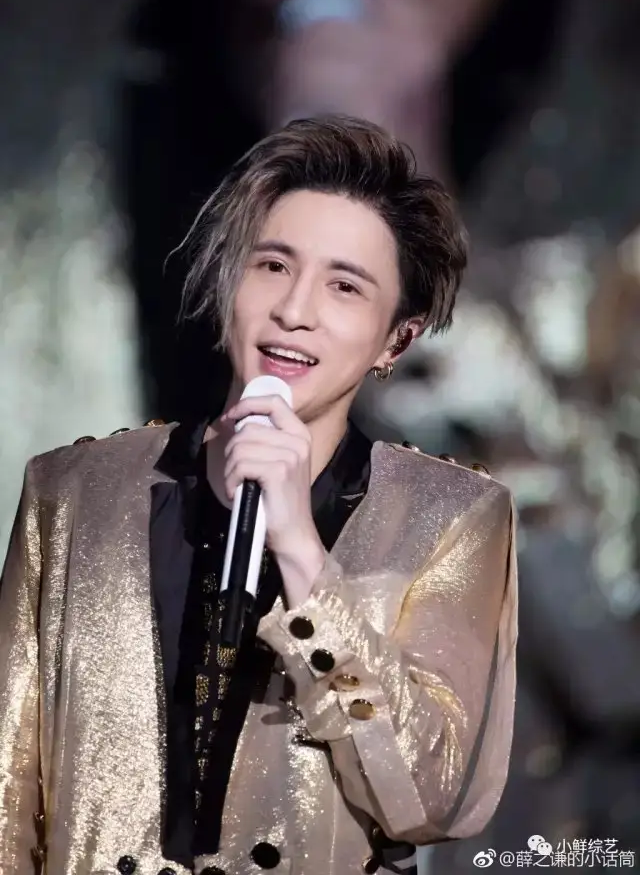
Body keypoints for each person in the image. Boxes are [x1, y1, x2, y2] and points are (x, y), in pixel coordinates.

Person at [0, 115, 517, 875]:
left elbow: (433, 796)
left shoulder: (449, 516)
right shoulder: (74, 492)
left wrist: (303, 553)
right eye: (272, 265)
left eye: (345, 286)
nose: (294, 310)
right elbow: (9, 783)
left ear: (396, 340)